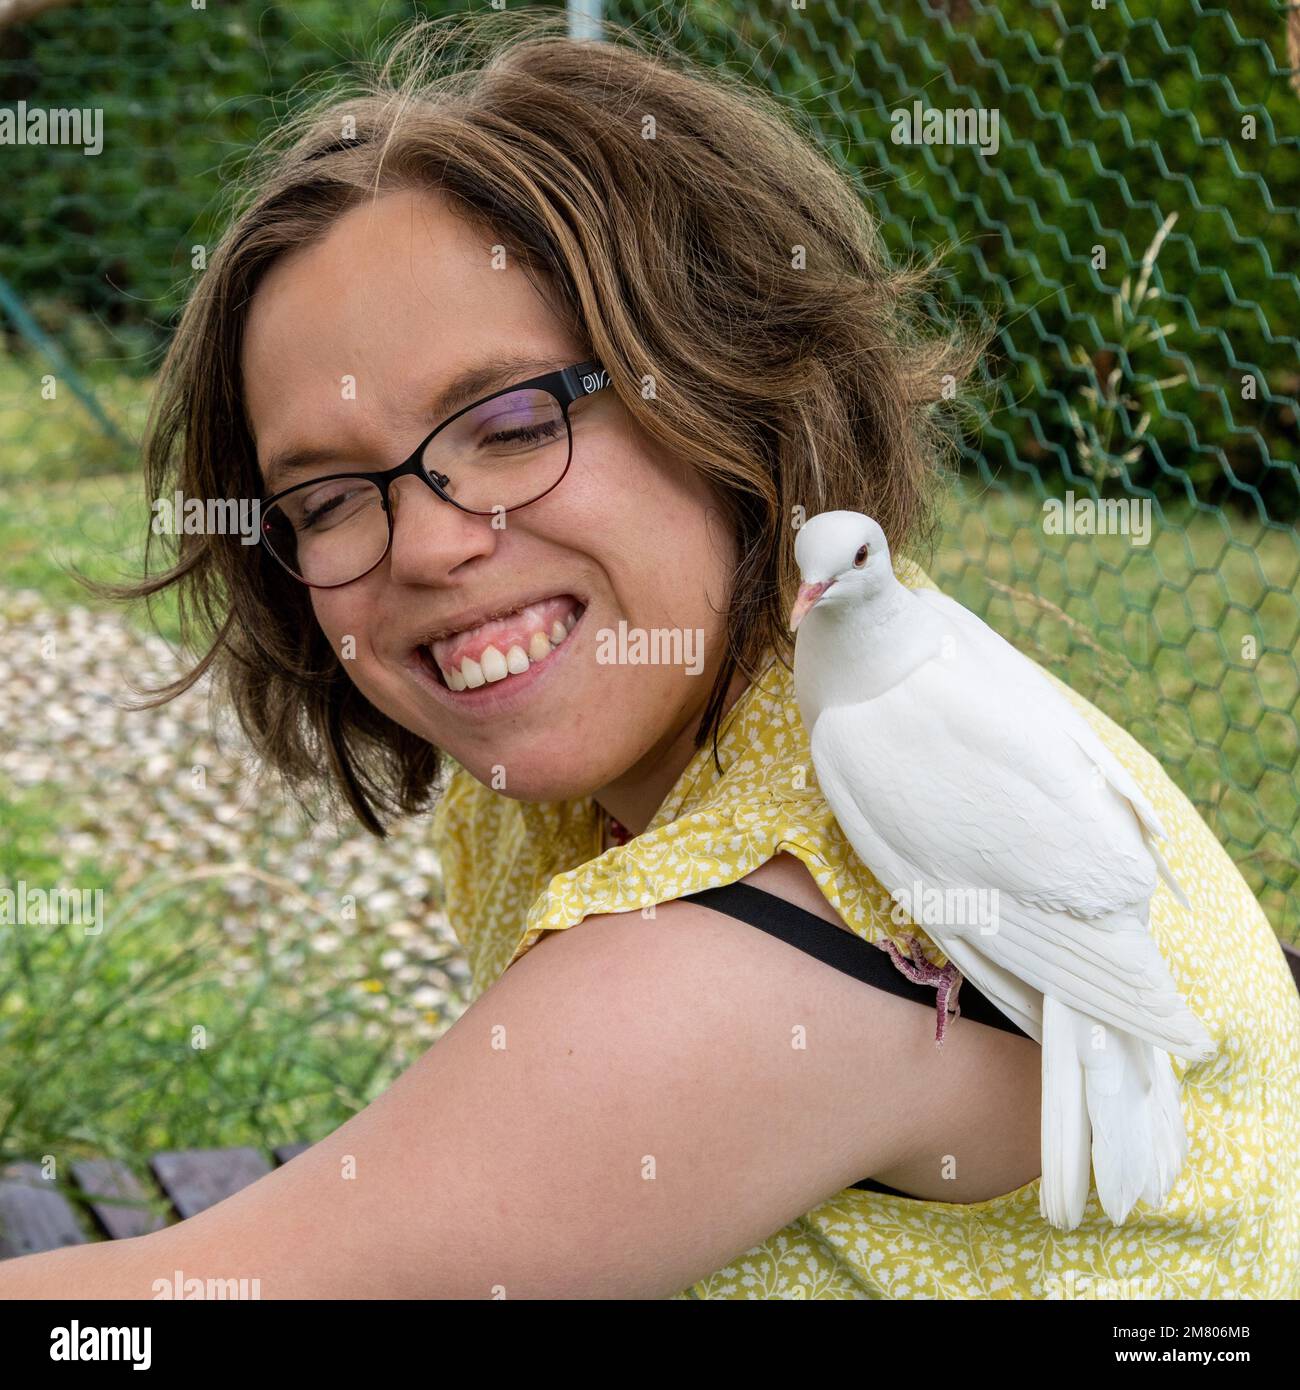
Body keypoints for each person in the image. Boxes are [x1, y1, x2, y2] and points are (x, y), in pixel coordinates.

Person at [3, 9, 1296, 1299]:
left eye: (509, 423)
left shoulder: (759, 939)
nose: (430, 545)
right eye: (331, 499)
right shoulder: (691, 732)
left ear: (725, 377)